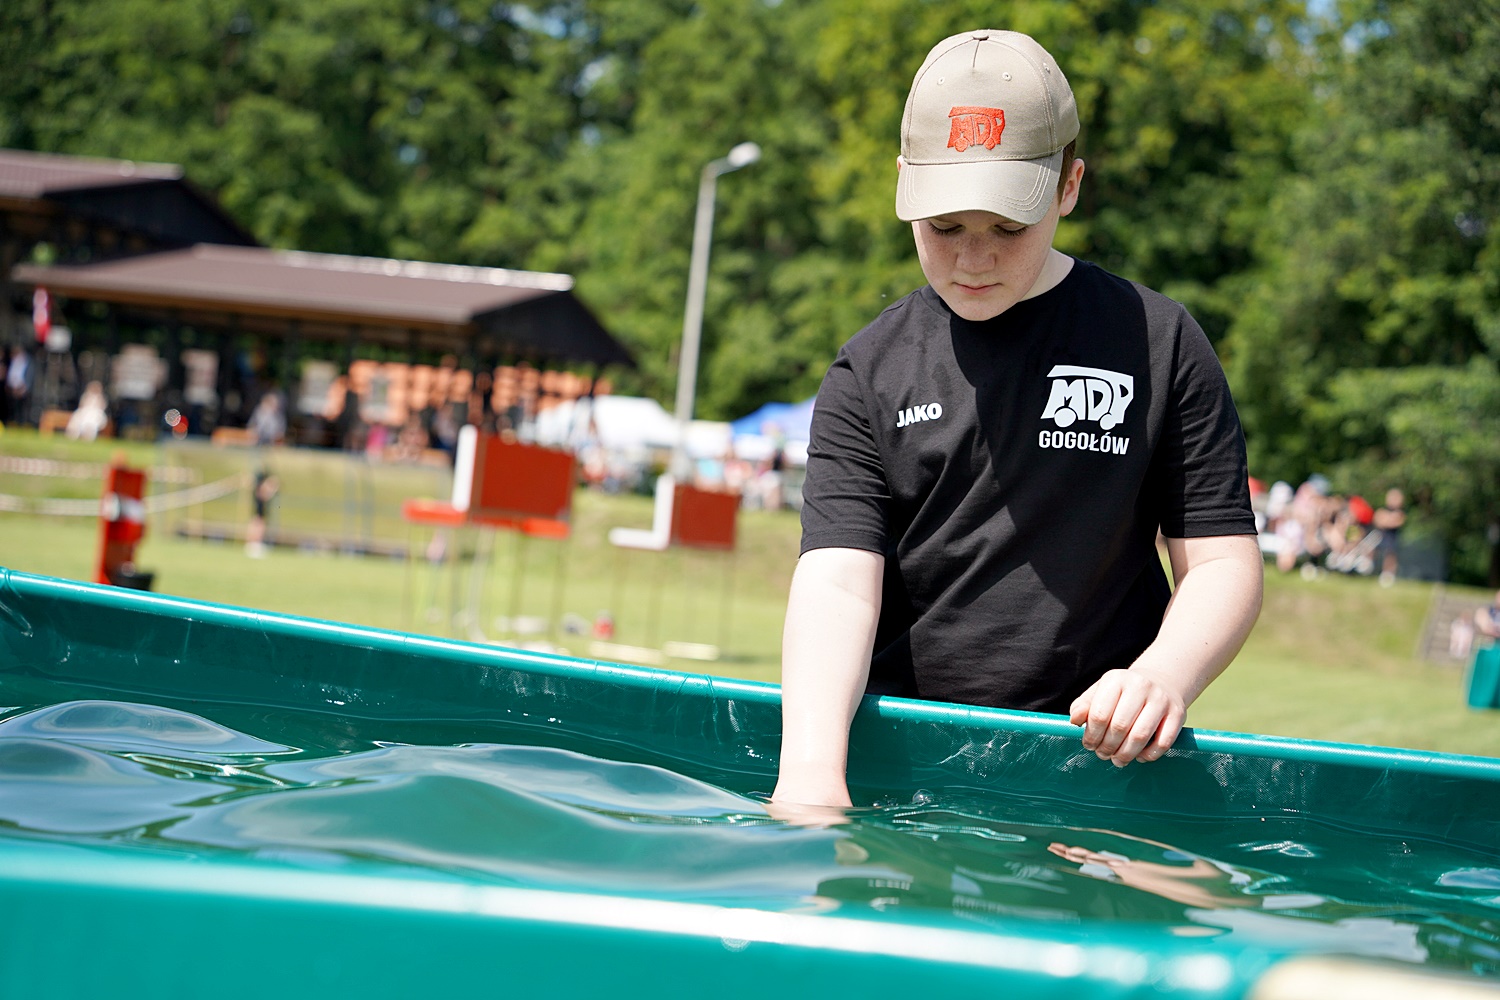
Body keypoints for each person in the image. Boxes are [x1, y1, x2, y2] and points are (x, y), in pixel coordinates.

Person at [772, 29, 1263, 815]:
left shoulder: (1159, 342)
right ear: (904, 186)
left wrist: (1163, 674)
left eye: (1007, 228)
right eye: (944, 227)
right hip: (908, 764)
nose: (974, 260)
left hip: (1096, 768)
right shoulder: (868, 368)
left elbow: (1221, 564)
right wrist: (810, 771)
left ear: (1069, 186)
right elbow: (837, 581)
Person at [1372, 488, 1406, 587]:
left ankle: (1389, 574)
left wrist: (1386, 520)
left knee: (1390, 555)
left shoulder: (1400, 513)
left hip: (1392, 539)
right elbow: (1378, 521)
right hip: (1380, 537)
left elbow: (1393, 522)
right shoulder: (1382, 510)